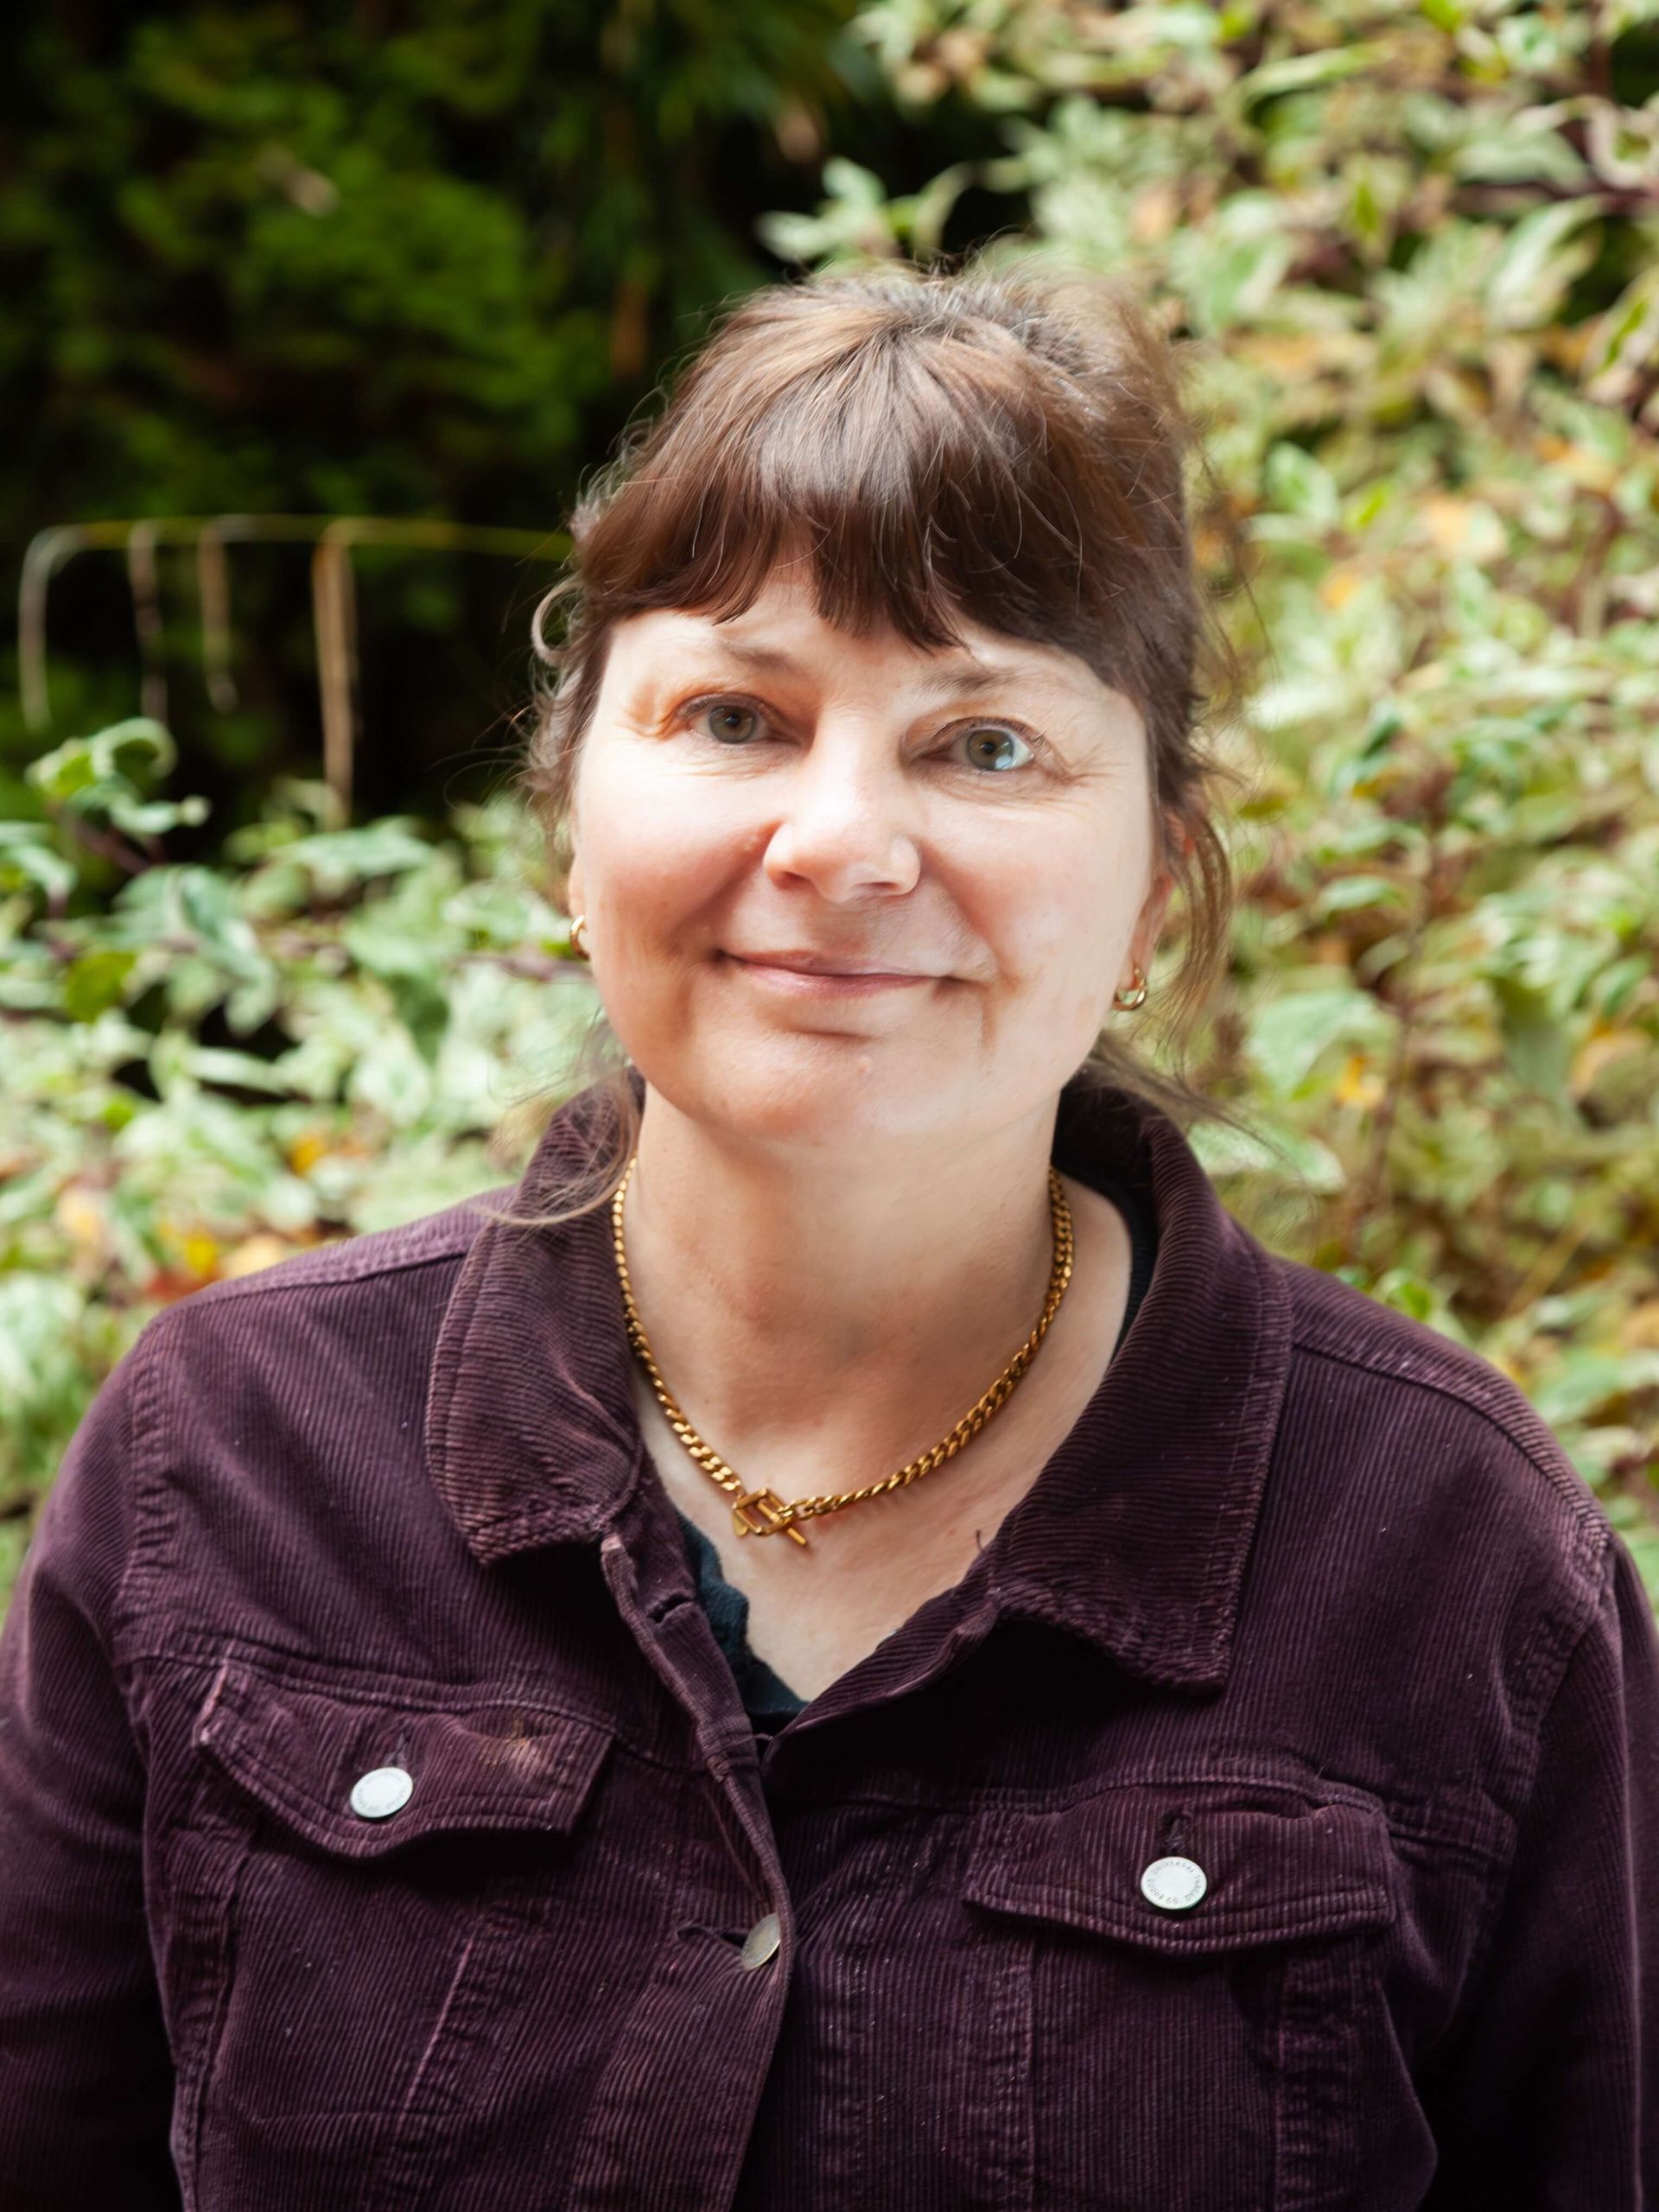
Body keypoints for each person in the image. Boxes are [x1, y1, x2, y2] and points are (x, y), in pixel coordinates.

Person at [1, 257, 1655, 2212]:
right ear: (567, 814)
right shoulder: (237, 1454)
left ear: (1155, 889)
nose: (840, 841)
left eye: (986, 742)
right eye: (733, 711)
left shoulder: (1448, 1556)